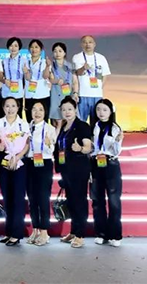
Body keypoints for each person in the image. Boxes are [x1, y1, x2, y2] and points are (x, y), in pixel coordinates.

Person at [55, 97, 93, 248]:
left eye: (70, 109)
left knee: (79, 201)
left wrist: (81, 149)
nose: (67, 112)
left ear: (76, 109)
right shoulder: (64, 127)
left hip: (79, 169)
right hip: (66, 169)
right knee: (70, 201)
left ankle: (80, 234)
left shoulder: (82, 126)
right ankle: (73, 231)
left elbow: (88, 147)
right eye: (64, 110)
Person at [0, 97, 30, 246]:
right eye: (7, 106)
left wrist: (17, 157)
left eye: (13, 106)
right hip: (4, 160)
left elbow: (27, 144)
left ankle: (17, 233)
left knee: (18, 197)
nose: (10, 109)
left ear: (18, 108)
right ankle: (8, 231)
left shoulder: (23, 124)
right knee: (7, 196)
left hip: (19, 161)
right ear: (3, 108)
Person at [91, 98, 124, 247]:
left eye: (104, 110)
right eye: (98, 109)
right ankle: (101, 233)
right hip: (96, 164)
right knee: (97, 201)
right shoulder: (94, 127)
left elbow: (116, 151)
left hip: (110, 164)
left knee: (114, 201)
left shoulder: (115, 128)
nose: (101, 113)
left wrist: (117, 141)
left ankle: (115, 235)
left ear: (111, 112)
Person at [26, 101, 56, 247]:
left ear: (45, 112)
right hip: (29, 163)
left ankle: (44, 231)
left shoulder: (50, 129)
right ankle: (35, 229)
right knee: (32, 199)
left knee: (43, 198)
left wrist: (49, 143)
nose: (37, 113)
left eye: (40, 110)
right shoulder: (26, 127)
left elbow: (52, 150)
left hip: (44, 163)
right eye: (34, 109)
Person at [72, 35, 111, 125]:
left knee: (96, 122)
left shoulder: (101, 58)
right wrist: (83, 68)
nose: (87, 44)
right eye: (85, 42)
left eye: (90, 42)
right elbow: (77, 74)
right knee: (81, 122)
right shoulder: (77, 57)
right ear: (81, 44)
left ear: (94, 44)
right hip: (82, 94)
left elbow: (105, 75)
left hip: (97, 95)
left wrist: (100, 88)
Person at [48, 42, 78, 126]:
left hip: (68, 95)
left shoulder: (71, 66)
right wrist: (56, 81)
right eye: (55, 51)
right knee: (56, 122)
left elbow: (75, 81)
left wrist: (75, 93)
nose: (57, 53)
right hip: (55, 96)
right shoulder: (51, 66)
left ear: (64, 53)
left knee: (69, 121)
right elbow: (51, 79)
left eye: (60, 51)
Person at [24, 39, 50, 123]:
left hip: (42, 94)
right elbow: (27, 78)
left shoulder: (45, 62)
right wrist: (26, 72)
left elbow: (45, 76)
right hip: (29, 95)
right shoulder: (25, 62)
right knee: (30, 120)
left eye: (36, 47)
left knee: (43, 121)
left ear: (41, 50)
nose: (34, 49)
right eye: (32, 47)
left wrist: (47, 66)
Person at [0, 37, 26, 119]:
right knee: (5, 115)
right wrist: (4, 80)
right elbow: (1, 76)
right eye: (11, 46)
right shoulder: (4, 61)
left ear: (19, 47)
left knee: (18, 116)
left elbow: (27, 77)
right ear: (8, 47)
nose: (13, 48)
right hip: (6, 92)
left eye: (16, 46)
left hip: (18, 93)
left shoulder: (24, 61)